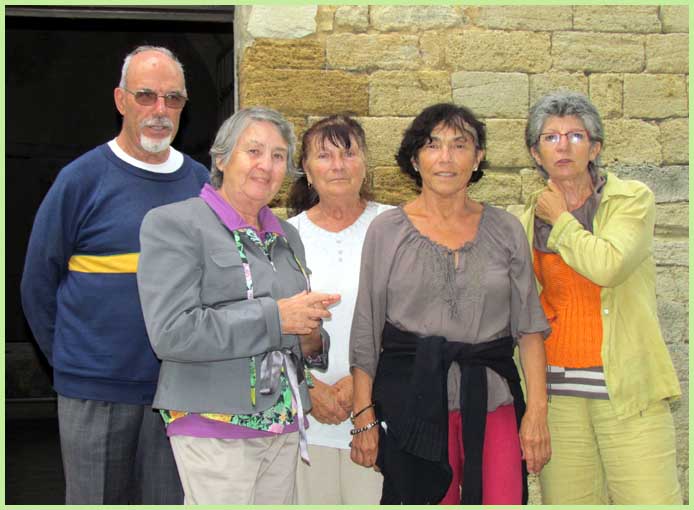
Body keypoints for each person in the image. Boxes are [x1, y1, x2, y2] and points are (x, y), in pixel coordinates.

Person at [20, 45, 208, 505]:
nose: (160, 110)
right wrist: (73, 359)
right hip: (94, 392)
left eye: (173, 98)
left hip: (178, 392)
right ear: (121, 100)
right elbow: (38, 283)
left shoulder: (201, 183)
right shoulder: (81, 179)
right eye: (146, 96)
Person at [349, 103, 551, 505]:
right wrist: (363, 415)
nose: (446, 157)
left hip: (492, 397)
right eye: (432, 145)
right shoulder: (386, 231)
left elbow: (529, 328)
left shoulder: (506, 229)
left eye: (459, 145)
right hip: (413, 402)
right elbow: (367, 329)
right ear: (414, 159)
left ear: (477, 158)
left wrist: (537, 413)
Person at [137, 107, 340, 505]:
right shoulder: (175, 224)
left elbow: (291, 331)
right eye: (254, 151)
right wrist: (277, 318)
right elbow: (172, 332)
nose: (267, 165)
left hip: (282, 421)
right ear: (221, 159)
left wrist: (311, 335)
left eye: (278, 156)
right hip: (213, 423)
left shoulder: (287, 235)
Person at [520, 91, 682, 505]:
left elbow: (608, 266)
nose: (563, 146)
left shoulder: (631, 199)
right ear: (536, 153)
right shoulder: (526, 221)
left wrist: (561, 220)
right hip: (559, 399)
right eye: (551, 137)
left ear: (595, 148)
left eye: (576, 136)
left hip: (629, 392)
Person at [286, 115, 391, 504]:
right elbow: (273, 323)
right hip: (306, 419)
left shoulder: (394, 226)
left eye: (348, 153)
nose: (338, 165)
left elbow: (412, 318)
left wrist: (358, 386)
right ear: (306, 170)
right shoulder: (286, 236)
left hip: (378, 414)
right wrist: (310, 388)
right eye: (324, 155)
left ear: (365, 162)